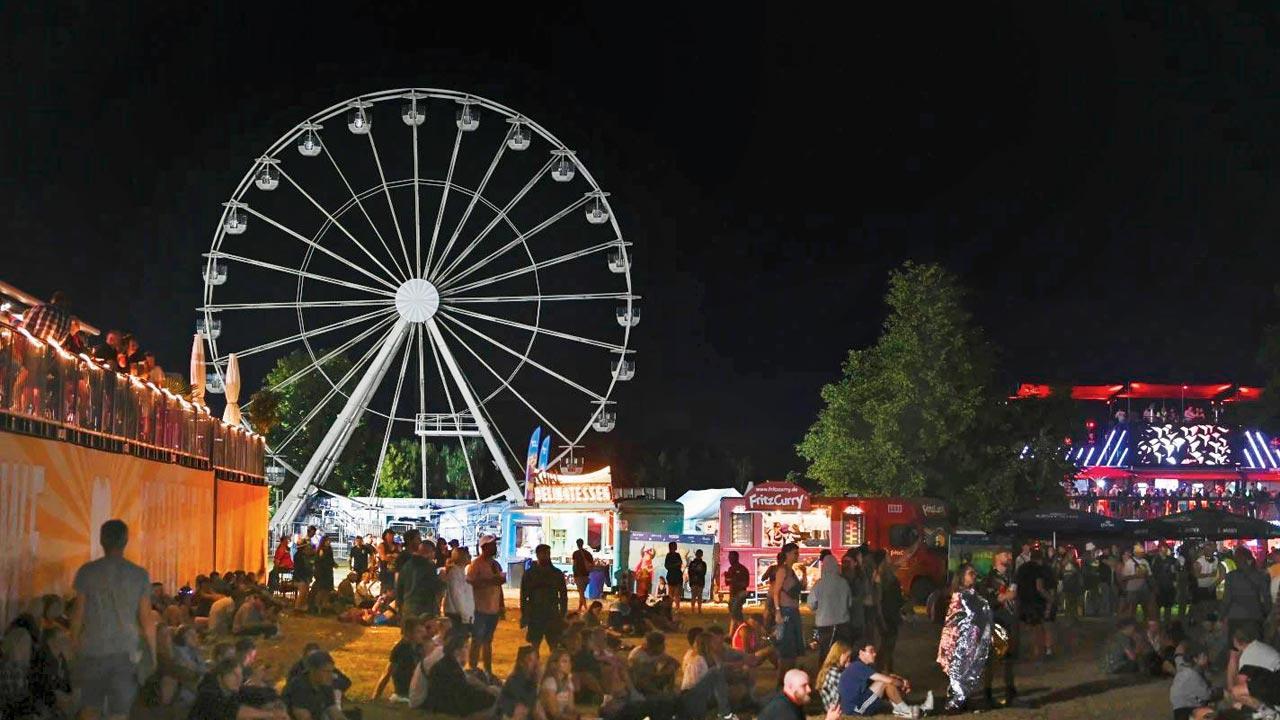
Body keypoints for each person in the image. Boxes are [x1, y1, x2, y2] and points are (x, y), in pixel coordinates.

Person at [69, 519, 154, 720]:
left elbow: (78, 615)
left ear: (101, 540)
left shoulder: (87, 572)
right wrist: (153, 655)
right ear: (125, 541)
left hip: (92, 651)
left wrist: (74, 647)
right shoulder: (139, 574)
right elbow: (146, 620)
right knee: (119, 713)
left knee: (90, 708)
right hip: (125, 653)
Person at [937, 563, 993, 713]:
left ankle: (964, 701)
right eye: (970, 573)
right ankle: (954, 704)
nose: (974, 576)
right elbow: (959, 618)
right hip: (958, 640)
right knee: (958, 671)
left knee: (968, 670)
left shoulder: (973, 594)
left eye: (975, 573)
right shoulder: (960, 596)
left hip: (970, 639)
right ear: (962, 577)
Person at [839, 642, 932, 718]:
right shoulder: (858, 667)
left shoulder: (859, 666)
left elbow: (885, 676)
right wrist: (902, 684)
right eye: (871, 651)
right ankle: (905, 710)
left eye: (874, 651)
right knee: (885, 682)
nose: (875, 654)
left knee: (887, 681)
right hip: (856, 709)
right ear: (861, 653)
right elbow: (887, 680)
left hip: (856, 704)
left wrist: (900, 680)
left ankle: (904, 709)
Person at [189, 658, 288, 720]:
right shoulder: (208, 694)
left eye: (240, 675)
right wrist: (271, 715)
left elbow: (255, 693)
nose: (239, 679)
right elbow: (235, 712)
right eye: (234, 675)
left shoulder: (231, 689)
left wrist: (276, 702)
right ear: (220, 677)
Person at [982, 549, 1019, 707]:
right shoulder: (990, 579)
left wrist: (1006, 595)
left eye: (1009, 554)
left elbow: (1013, 594)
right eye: (1005, 554)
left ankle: (1010, 691)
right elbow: (993, 599)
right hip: (998, 621)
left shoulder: (1011, 575)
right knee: (993, 659)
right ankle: (987, 692)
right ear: (996, 557)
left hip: (1011, 620)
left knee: (1009, 658)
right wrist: (1006, 595)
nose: (1009, 557)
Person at [467, 533, 505, 677]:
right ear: (484, 547)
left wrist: (501, 605)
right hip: (479, 609)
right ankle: (473, 668)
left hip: (492, 609)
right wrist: (490, 582)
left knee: (488, 640)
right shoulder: (476, 564)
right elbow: (470, 583)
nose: (495, 547)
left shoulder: (495, 564)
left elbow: (499, 587)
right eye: (492, 545)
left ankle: (488, 670)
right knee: (477, 640)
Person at [521, 543, 569, 653]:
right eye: (544, 554)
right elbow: (524, 596)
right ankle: (534, 667)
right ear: (537, 555)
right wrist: (525, 614)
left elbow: (563, 595)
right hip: (535, 613)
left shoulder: (556, 574)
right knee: (535, 645)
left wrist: (562, 613)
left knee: (554, 645)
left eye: (548, 554)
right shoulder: (530, 574)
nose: (546, 556)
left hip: (552, 613)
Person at [807, 553, 851, 665]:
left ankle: (824, 675)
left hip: (824, 624)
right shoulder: (844, 583)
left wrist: (818, 609)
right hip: (843, 624)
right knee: (841, 653)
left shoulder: (819, 584)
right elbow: (849, 603)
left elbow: (811, 604)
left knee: (825, 652)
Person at [769, 543, 804, 687]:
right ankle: (781, 683)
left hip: (793, 611)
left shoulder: (791, 570)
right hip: (786, 611)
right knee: (786, 650)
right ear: (788, 554)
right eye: (795, 553)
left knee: (793, 650)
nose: (798, 555)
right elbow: (775, 591)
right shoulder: (783, 570)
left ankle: (789, 681)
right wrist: (777, 611)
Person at [1222, 546, 1271, 644]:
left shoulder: (1231, 576)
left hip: (1235, 616)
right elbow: (1266, 597)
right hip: (1254, 616)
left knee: (1236, 647)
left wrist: (1222, 615)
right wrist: (1266, 612)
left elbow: (1227, 599)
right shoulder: (1260, 575)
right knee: (1255, 646)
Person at [373, 617, 427, 702]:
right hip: (403, 693)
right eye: (418, 632)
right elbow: (387, 673)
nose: (423, 635)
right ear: (408, 633)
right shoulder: (400, 649)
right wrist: (376, 696)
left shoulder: (418, 647)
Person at [283, 650, 346, 720]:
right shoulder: (299, 685)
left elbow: (333, 711)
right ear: (313, 670)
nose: (330, 676)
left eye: (331, 671)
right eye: (326, 672)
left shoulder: (325, 685)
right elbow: (303, 717)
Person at [1015, 548, 1055, 660]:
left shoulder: (1021, 568)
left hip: (1024, 601)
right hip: (1037, 602)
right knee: (1045, 626)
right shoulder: (1039, 569)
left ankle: (1033, 651)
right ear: (1040, 559)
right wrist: (1050, 599)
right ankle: (1045, 651)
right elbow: (1039, 587)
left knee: (1030, 628)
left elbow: (1016, 585)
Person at [397, 530, 445, 620]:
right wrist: (442, 579)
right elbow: (435, 588)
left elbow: (399, 586)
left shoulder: (407, 565)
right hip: (424, 610)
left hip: (408, 607)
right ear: (429, 553)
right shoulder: (429, 566)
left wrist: (399, 607)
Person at [1170, 642, 1219, 720]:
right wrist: (1219, 691)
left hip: (1183, 710)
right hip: (1186, 712)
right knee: (1212, 713)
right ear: (1195, 659)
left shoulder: (1185, 670)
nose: (1207, 658)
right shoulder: (1192, 674)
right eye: (1204, 656)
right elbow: (1207, 695)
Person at [876, 550, 905, 673]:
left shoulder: (877, 577)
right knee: (888, 649)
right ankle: (886, 674)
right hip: (890, 617)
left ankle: (883, 673)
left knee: (883, 648)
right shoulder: (891, 579)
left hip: (882, 617)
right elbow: (897, 600)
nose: (890, 559)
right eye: (888, 557)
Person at [628, 630, 679, 699]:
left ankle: (669, 693)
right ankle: (660, 694)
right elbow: (638, 677)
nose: (664, 647)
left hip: (652, 678)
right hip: (639, 682)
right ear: (654, 645)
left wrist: (667, 669)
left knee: (670, 668)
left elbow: (675, 663)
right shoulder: (638, 655)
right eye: (662, 644)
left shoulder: (656, 653)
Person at [496, 645, 541, 720]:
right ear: (521, 662)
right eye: (530, 660)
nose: (535, 664)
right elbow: (526, 706)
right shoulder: (515, 680)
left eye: (536, 659)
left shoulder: (534, 679)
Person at [443, 547, 476, 635]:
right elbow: (457, 596)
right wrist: (465, 617)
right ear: (461, 557)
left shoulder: (460, 572)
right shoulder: (455, 573)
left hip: (460, 615)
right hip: (457, 615)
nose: (470, 556)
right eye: (467, 554)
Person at [723, 551, 750, 634]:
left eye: (731, 557)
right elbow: (728, 582)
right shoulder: (731, 569)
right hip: (733, 594)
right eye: (729, 557)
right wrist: (727, 577)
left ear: (736, 558)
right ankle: (735, 632)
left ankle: (743, 631)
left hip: (740, 593)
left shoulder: (742, 569)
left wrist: (734, 580)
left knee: (735, 612)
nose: (730, 559)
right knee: (734, 613)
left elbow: (746, 583)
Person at [572, 539, 594, 612]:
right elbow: (592, 564)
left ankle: (585, 607)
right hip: (586, 575)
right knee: (582, 592)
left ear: (577, 544)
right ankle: (580, 607)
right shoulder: (588, 553)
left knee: (581, 592)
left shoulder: (575, 553)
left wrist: (574, 574)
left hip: (578, 575)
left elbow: (574, 565)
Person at [664, 542, 684, 611]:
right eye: (675, 546)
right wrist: (675, 565)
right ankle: (670, 607)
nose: (676, 547)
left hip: (677, 576)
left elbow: (680, 563)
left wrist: (675, 565)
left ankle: (677, 608)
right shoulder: (668, 555)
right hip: (672, 576)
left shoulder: (677, 555)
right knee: (671, 593)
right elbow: (667, 566)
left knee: (677, 594)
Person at [687, 549, 708, 614]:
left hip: (693, 581)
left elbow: (689, 572)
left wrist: (691, 580)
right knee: (699, 596)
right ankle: (699, 610)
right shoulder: (703, 563)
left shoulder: (692, 563)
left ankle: (693, 609)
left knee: (693, 596)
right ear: (702, 555)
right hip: (700, 581)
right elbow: (704, 573)